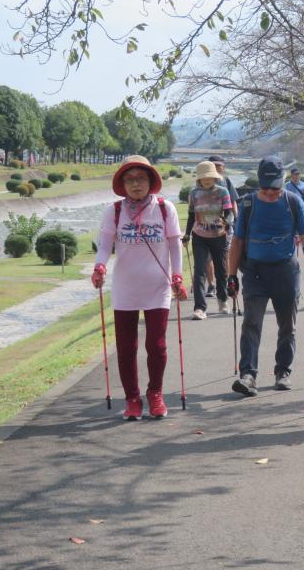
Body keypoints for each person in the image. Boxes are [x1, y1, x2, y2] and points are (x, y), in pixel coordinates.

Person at [91, 155, 187, 421]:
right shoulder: (114, 211)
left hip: (158, 286)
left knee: (156, 345)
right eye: (129, 179)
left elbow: (174, 245)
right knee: (126, 346)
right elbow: (104, 246)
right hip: (125, 287)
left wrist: (177, 276)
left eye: (140, 178)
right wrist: (99, 268)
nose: (135, 184)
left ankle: (155, 393)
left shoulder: (165, 208)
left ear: (150, 181)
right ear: (123, 183)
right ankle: (132, 399)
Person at [226, 155, 304, 396]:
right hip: (254, 271)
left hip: (286, 270)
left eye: (275, 189)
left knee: (287, 325)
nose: (270, 193)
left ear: (283, 182)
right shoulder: (248, 204)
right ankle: (248, 375)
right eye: (265, 189)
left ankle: (283, 371)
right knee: (251, 323)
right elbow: (237, 241)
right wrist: (231, 276)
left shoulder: (294, 202)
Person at [183, 160, 234, 320]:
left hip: (219, 235)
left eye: (209, 177)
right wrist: (187, 234)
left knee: (221, 270)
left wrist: (228, 223)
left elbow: (229, 212)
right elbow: (192, 215)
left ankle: (223, 300)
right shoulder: (194, 193)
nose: (206, 180)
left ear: (215, 177)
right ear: (199, 178)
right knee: (199, 272)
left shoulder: (223, 192)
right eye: (203, 177)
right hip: (199, 236)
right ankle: (199, 308)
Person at [204, 154, 239, 298]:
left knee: (225, 255)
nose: (217, 169)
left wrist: (236, 218)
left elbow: (234, 201)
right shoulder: (203, 183)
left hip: (225, 225)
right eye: (214, 166)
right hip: (206, 226)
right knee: (208, 258)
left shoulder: (227, 181)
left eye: (219, 166)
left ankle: (225, 282)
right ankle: (211, 285)